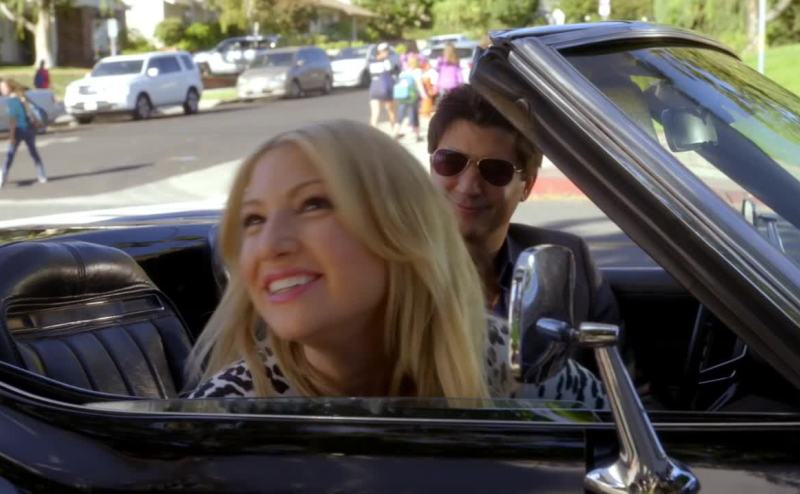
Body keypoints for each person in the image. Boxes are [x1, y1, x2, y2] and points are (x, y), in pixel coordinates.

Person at [186, 119, 511, 399]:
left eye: (313, 204)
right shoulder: (222, 419)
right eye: (253, 219)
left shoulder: (511, 366)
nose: (269, 246)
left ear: (401, 224)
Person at [427, 84, 619, 325]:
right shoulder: (391, 266)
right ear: (431, 166)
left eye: (495, 171)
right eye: (450, 162)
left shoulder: (568, 264)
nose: (468, 187)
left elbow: (608, 349)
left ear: (527, 185)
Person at [0, 78, 47, 188]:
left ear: (10, 87)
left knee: (10, 155)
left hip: (19, 130)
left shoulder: (12, 101)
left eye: (3, 87)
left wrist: (11, 136)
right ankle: (42, 175)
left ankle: (2, 176)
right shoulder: (22, 96)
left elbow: (13, 120)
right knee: (33, 152)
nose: (1, 90)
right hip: (30, 129)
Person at [393, 53, 426, 142]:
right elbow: (419, 85)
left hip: (403, 96)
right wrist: (424, 95)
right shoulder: (417, 71)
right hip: (412, 97)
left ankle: (395, 133)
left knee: (400, 115)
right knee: (414, 115)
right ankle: (417, 135)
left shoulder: (403, 72)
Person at [368, 43, 397, 132]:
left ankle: (371, 133)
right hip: (386, 89)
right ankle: (394, 131)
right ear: (382, 52)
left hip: (374, 88)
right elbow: (393, 72)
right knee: (391, 111)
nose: (388, 52)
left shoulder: (371, 63)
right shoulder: (387, 62)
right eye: (386, 51)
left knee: (375, 113)